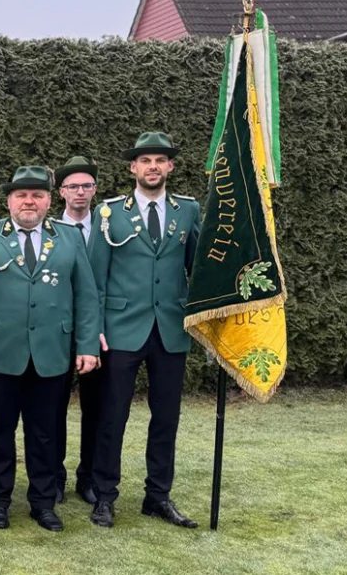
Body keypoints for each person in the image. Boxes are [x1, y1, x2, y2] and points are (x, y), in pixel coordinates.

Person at [0, 165, 100, 532]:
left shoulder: (68, 238)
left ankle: (43, 502)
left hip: (51, 353)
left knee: (45, 433)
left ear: (49, 200)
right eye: (21, 195)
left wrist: (86, 345)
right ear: (9, 200)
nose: (29, 201)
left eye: (37, 195)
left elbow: (86, 296)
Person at [89, 133, 202, 529]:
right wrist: (94, 330)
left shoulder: (187, 211)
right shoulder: (108, 214)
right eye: (145, 160)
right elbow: (94, 280)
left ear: (171, 166)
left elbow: (199, 270)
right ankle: (105, 496)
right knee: (112, 417)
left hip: (170, 329)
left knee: (166, 418)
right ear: (132, 168)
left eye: (160, 160)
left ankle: (158, 496)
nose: (152, 166)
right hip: (120, 330)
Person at [54, 156, 103, 505]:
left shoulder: (110, 228)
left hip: (96, 333)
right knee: (51, 410)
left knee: (96, 409)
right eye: (73, 186)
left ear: (95, 190)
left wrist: (96, 329)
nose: (80, 192)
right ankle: (53, 478)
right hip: (54, 332)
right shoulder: (51, 231)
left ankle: (88, 477)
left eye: (86, 186)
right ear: (61, 192)